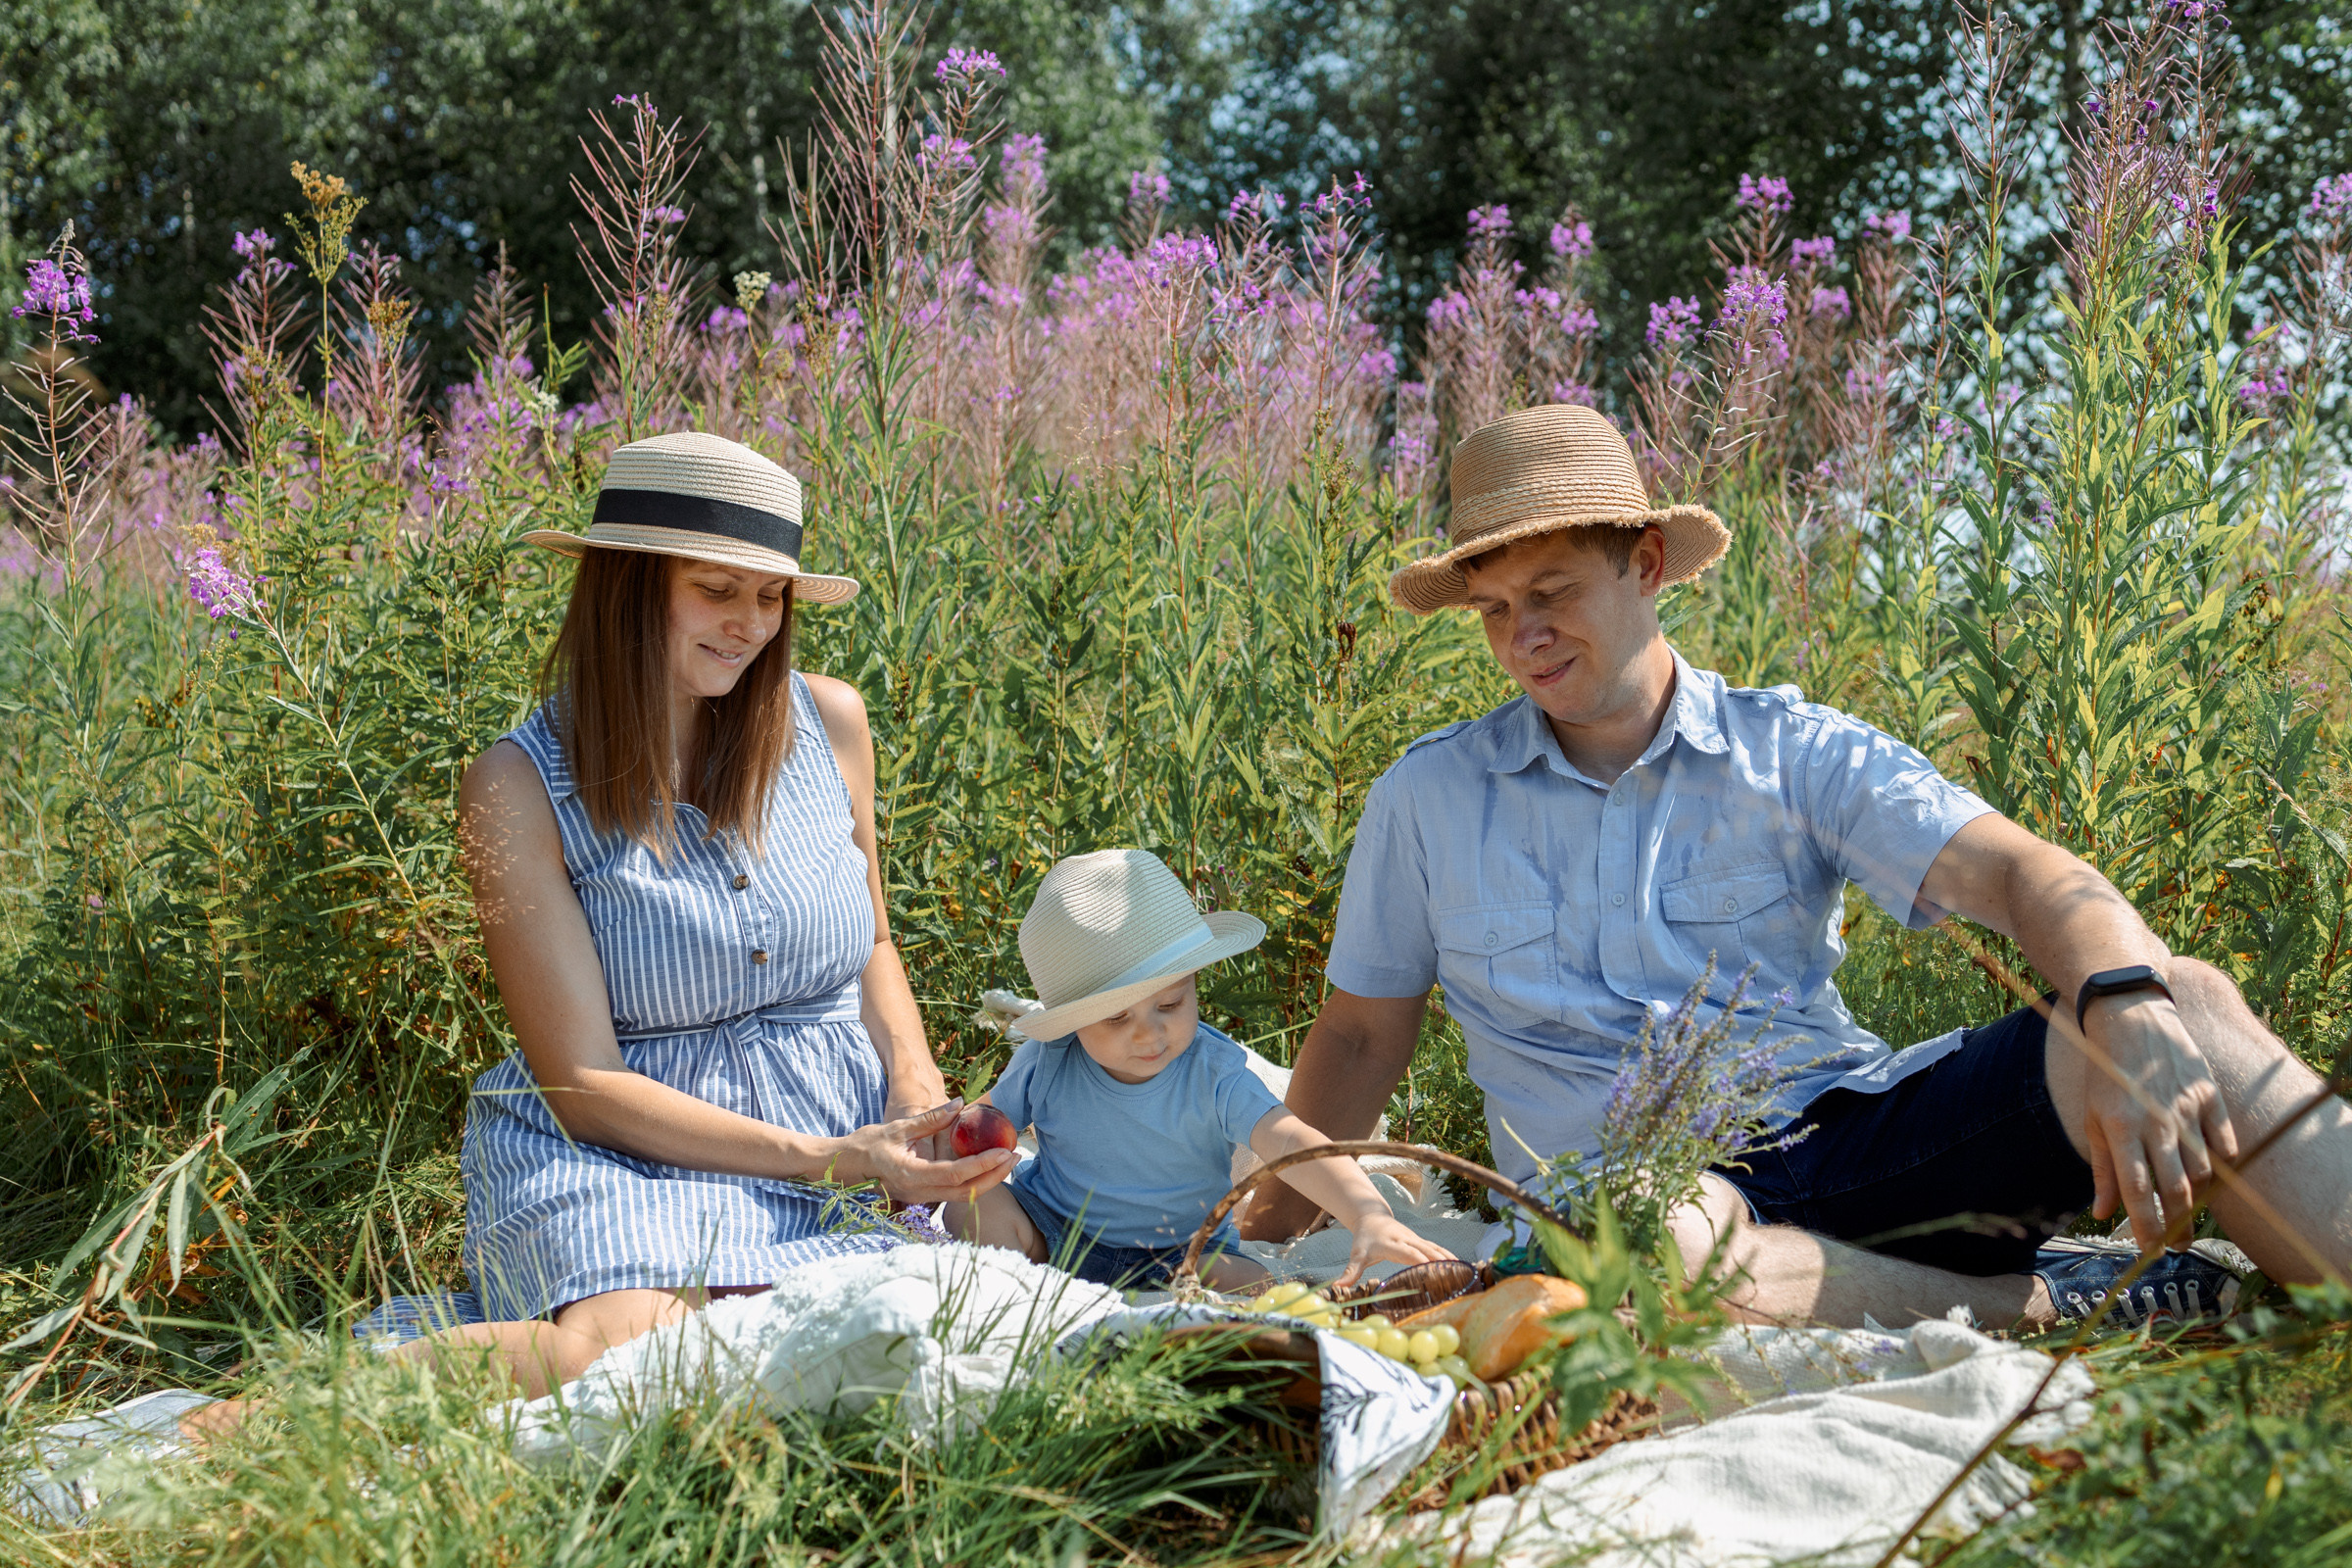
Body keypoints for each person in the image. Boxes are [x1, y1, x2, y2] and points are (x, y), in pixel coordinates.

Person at [1243, 403, 2352, 1331]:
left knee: (2187, 1001)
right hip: (1643, 1204)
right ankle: (2034, 1302)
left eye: (1552, 591)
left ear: (1647, 563)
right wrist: (1270, 1229)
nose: (1522, 634)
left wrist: (2125, 998)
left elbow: (2023, 874)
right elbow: (1356, 1032)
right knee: (1640, 1236)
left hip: (1850, 1135)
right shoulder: (1427, 797)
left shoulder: (1794, 750)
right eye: (1494, 609)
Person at [429, 431, 1015, 1396]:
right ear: (629, 586)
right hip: (633, 1153)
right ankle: (291, 1409)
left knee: (918, 1345)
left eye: (770, 594)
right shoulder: (514, 784)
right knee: (657, 1370)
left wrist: (913, 1093)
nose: (750, 623)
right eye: (716, 588)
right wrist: (827, 1163)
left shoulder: (828, 723)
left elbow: (869, 939)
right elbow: (581, 1082)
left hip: (841, 1121)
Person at [941, 850, 1453, 1290]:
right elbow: (981, 1127)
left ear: (1193, 981)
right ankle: (1032, 1286)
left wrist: (1367, 1213)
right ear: (1071, 1024)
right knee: (970, 1209)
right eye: (1117, 1017)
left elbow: (1294, 1143)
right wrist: (954, 1154)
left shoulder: (1213, 1074)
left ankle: (1167, 1288)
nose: (1149, 1034)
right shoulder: (1047, 1061)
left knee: (1254, 1284)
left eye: (1170, 1004)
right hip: (1057, 1228)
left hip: (1183, 1250)